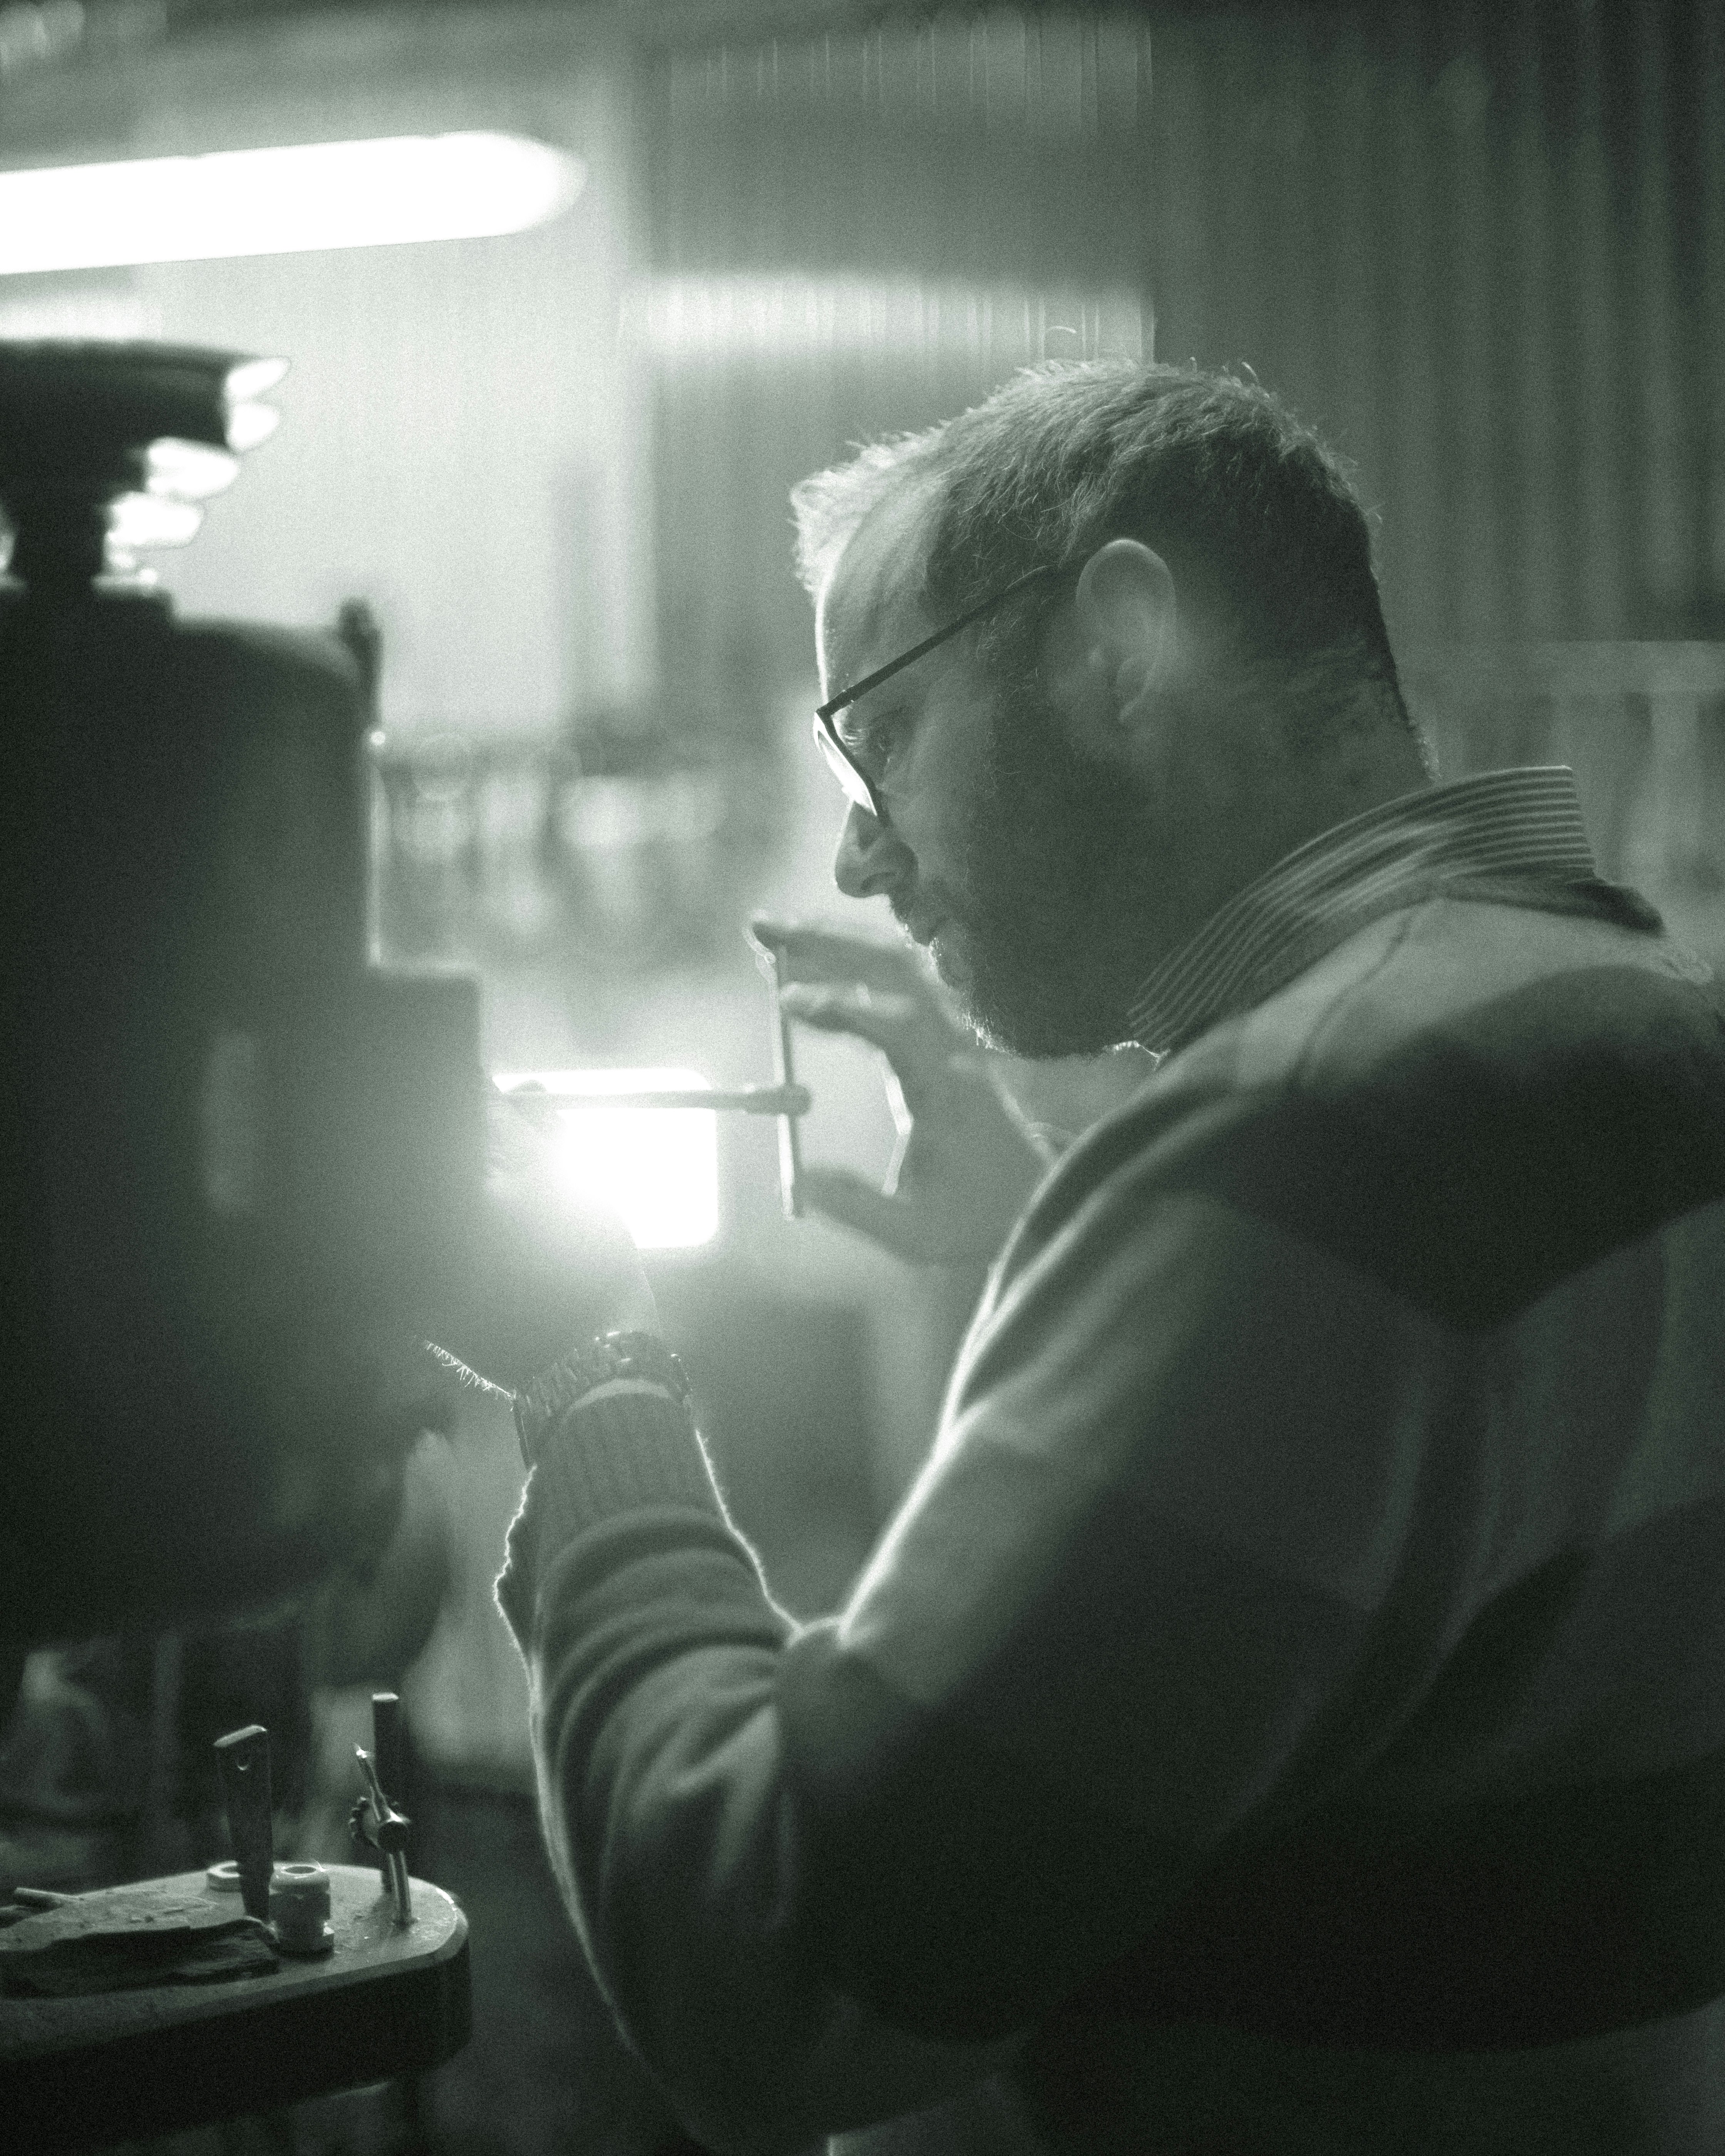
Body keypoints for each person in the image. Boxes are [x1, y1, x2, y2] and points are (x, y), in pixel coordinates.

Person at [427, 362, 1725, 2155]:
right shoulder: (1639, 1013)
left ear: (1117, 648)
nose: (868, 854)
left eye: (877, 737)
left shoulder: (1292, 1163)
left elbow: (771, 1955)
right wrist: (1091, 1213)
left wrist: (592, 1383)